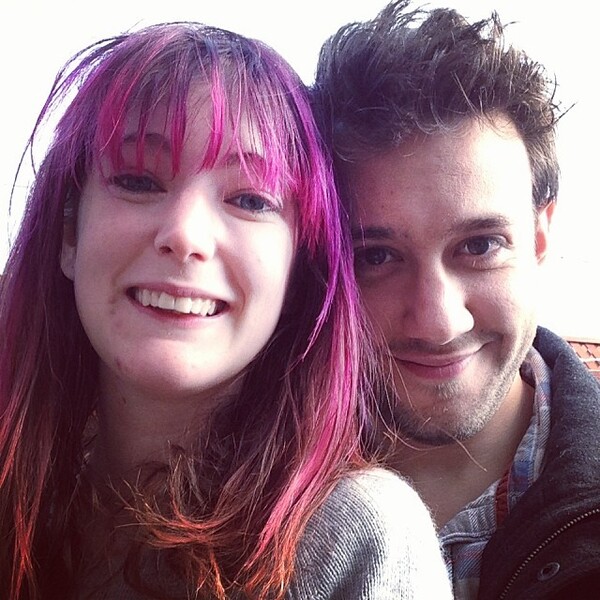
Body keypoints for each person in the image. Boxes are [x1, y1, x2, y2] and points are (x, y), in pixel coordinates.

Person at [0, 22, 453, 600]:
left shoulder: (359, 536)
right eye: (138, 179)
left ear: (301, 263)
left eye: (250, 198)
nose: (186, 233)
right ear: (70, 233)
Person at [312, 1, 600, 599]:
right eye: (375, 255)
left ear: (540, 238)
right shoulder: (222, 500)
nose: (439, 320)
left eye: (480, 245)